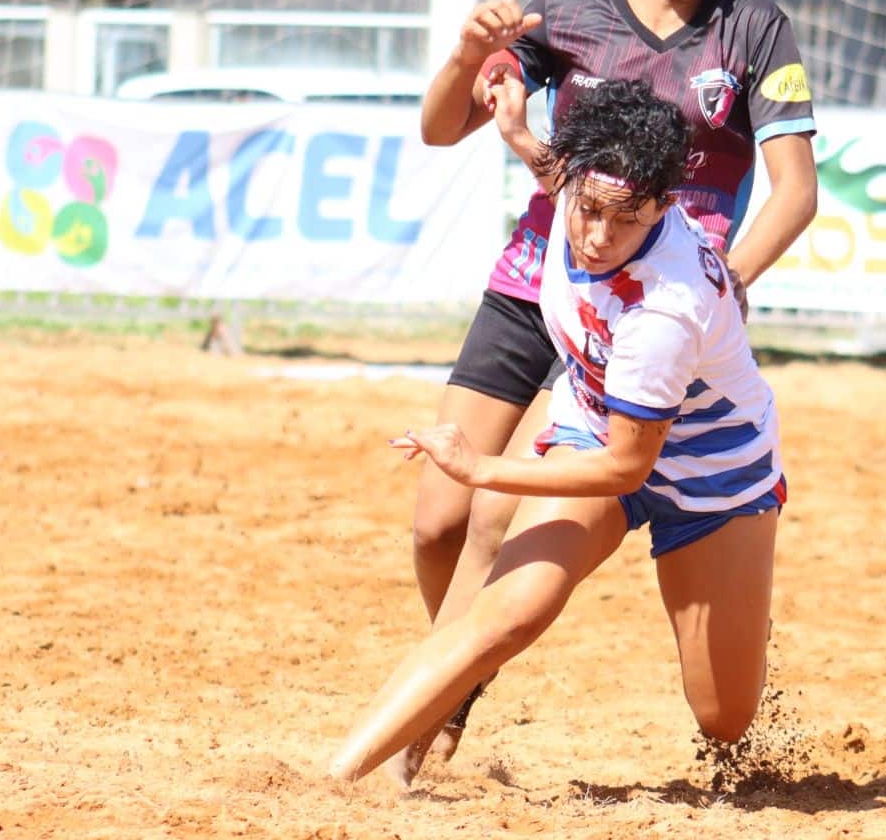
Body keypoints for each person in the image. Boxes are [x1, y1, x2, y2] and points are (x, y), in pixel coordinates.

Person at [402, 0, 817, 785]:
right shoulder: (572, 11)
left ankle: (438, 701)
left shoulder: (755, 33)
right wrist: (468, 54)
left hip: (644, 314)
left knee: (497, 516)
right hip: (537, 281)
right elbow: (440, 130)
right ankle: (460, 674)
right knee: (436, 519)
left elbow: (795, 193)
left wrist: (721, 285)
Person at [328, 78, 786, 785]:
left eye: (626, 220)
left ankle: (741, 602)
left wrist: (481, 469)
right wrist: (516, 134)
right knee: (510, 610)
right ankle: (347, 774)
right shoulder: (585, 191)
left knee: (723, 714)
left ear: (664, 205)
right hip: (596, 421)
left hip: (710, 470)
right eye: (589, 209)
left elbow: (623, 470)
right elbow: (576, 175)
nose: (599, 236)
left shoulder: (665, 308)